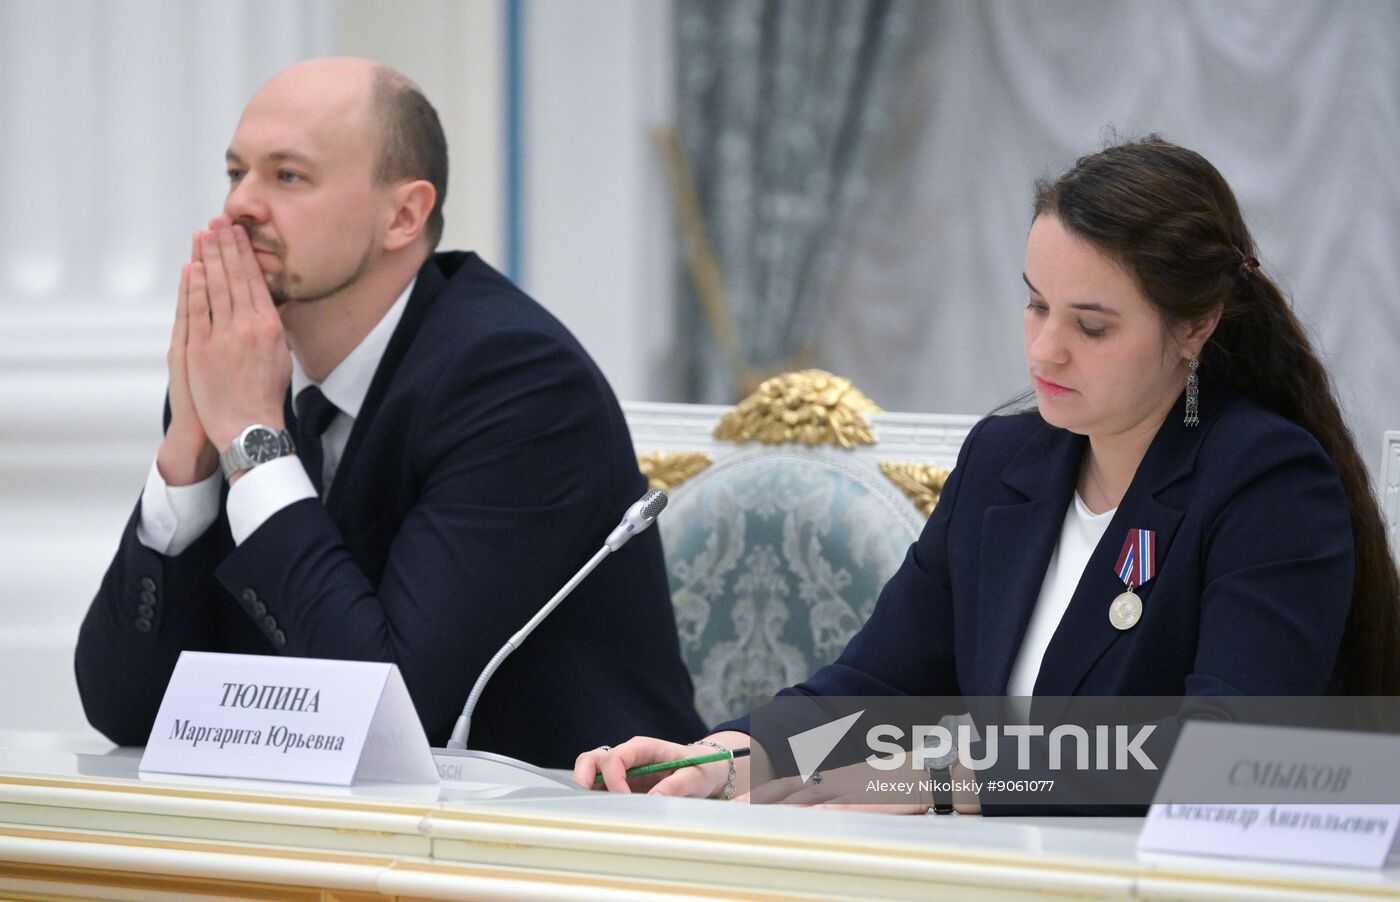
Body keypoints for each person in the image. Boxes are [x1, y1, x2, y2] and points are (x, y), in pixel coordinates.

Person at [575, 137, 1400, 809]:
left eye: (1092, 327)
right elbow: (881, 691)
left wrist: (947, 779)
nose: (1045, 350)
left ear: (1196, 326)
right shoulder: (1006, 462)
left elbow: (1226, 751)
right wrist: (723, 759)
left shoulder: (1268, 481)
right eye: (1036, 305)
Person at [75, 58, 705, 766]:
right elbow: (123, 709)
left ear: (403, 216)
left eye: (288, 176)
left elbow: (387, 715)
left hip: (577, 818)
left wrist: (254, 447)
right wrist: (187, 459)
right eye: (235, 172)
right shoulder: (240, 376)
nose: (240, 205)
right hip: (325, 821)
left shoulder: (516, 382)